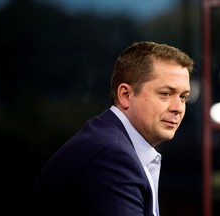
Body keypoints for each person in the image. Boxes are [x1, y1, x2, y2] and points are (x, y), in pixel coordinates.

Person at [29, 41, 194, 216]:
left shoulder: (113, 140)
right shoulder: (111, 155)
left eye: (183, 97)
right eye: (165, 94)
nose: (178, 107)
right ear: (125, 95)